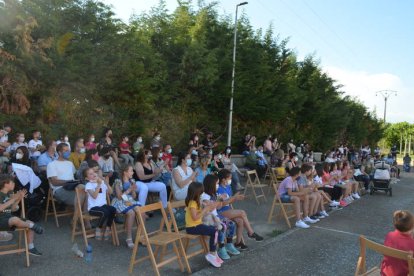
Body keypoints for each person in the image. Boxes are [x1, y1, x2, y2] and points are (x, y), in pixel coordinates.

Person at [217, 169, 263, 250]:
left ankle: (238, 243)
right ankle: (251, 233)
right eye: (229, 178)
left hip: (228, 210)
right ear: (223, 179)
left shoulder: (228, 187)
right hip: (221, 212)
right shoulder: (219, 189)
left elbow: (230, 200)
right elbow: (221, 204)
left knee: (240, 221)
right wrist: (234, 197)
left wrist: (237, 198)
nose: (230, 180)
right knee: (242, 212)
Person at [0, 175, 43, 256]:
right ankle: (32, 226)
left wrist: (19, 198)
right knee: (16, 220)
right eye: (12, 182)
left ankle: (31, 247)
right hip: (1, 220)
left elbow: (12, 209)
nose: (14, 184)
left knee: (29, 221)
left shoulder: (9, 194)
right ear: (5, 184)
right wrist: (13, 198)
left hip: (9, 219)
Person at [201, 174, 240, 260]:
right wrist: (218, 200)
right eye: (216, 184)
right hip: (208, 219)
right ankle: (221, 247)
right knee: (222, 226)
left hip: (216, 217)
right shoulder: (204, 196)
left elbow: (218, 207)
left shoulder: (213, 194)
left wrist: (220, 200)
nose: (217, 185)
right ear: (211, 184)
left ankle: (229, 244)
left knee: (231, 224)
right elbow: (210, 209)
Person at [185, 181, 222, 268]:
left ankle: (214, 252)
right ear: (196, 193)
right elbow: (195, 217)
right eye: (201, 192)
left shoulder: (196, 201)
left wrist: (208, 206)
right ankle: (212, 254)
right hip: (192, 227)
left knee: (216, 230)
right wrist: (205, 209)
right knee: (214, 232)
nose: (202, 194)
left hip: (197, 225)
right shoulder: (192, 203)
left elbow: (201, 214)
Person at [111, 165, 142, 248]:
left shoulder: (132, 181)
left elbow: (134, 196)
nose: (133, 172)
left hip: (129, 200)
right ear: (125, 172)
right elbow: (118, 196)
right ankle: (129, 238)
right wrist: (129, 189)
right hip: (118, 202)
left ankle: (141, 236)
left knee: (141, 211)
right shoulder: (118, 181)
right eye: (131, 171)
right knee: (131, 213)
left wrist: (133, 190)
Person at [84, 167, 116, 241]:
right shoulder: (89, 185)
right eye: (90, 174)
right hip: (93, 208)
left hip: (102, 206)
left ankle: (108, 227)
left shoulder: (101, 183)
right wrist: (98, 185)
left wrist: (105, 182)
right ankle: (98, 228)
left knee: (113, 209)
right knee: (106, 212)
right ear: (87, 178)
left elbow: (111, 192)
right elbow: (94, 196)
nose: (93, 174)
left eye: (94, 172)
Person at [381, 210, 414, 276]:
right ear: (412, 226)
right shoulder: (412, 243)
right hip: (404, 274)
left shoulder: (389, 235)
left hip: (386, 273)